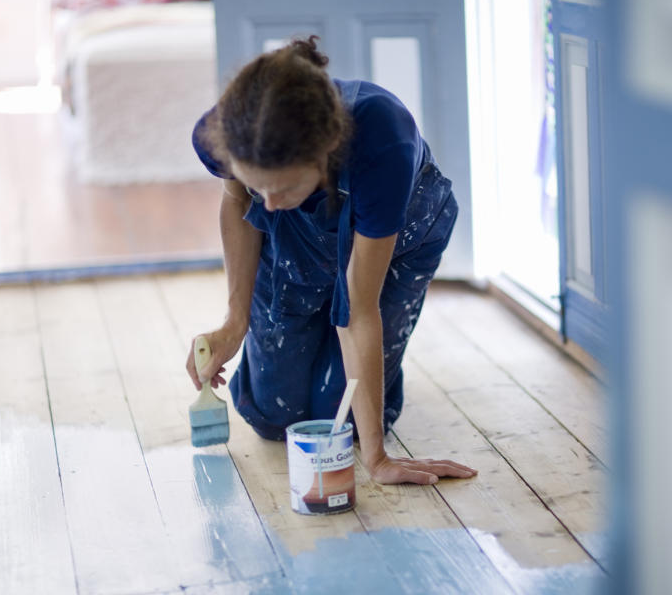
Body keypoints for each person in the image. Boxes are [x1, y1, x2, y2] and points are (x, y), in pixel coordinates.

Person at [186, 36, 476, 486]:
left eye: (281, 188)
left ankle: (362, 380)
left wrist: (378, 459)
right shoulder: (224, 132)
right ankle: (308, 347)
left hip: (401, 234)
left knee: (343, 427)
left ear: (324, 154)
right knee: (274, 417)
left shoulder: (383, 143)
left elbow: (359, 311)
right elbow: (240, 204)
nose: (268, 202)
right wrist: (234, 321)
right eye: (257, 186)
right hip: (303, 232)